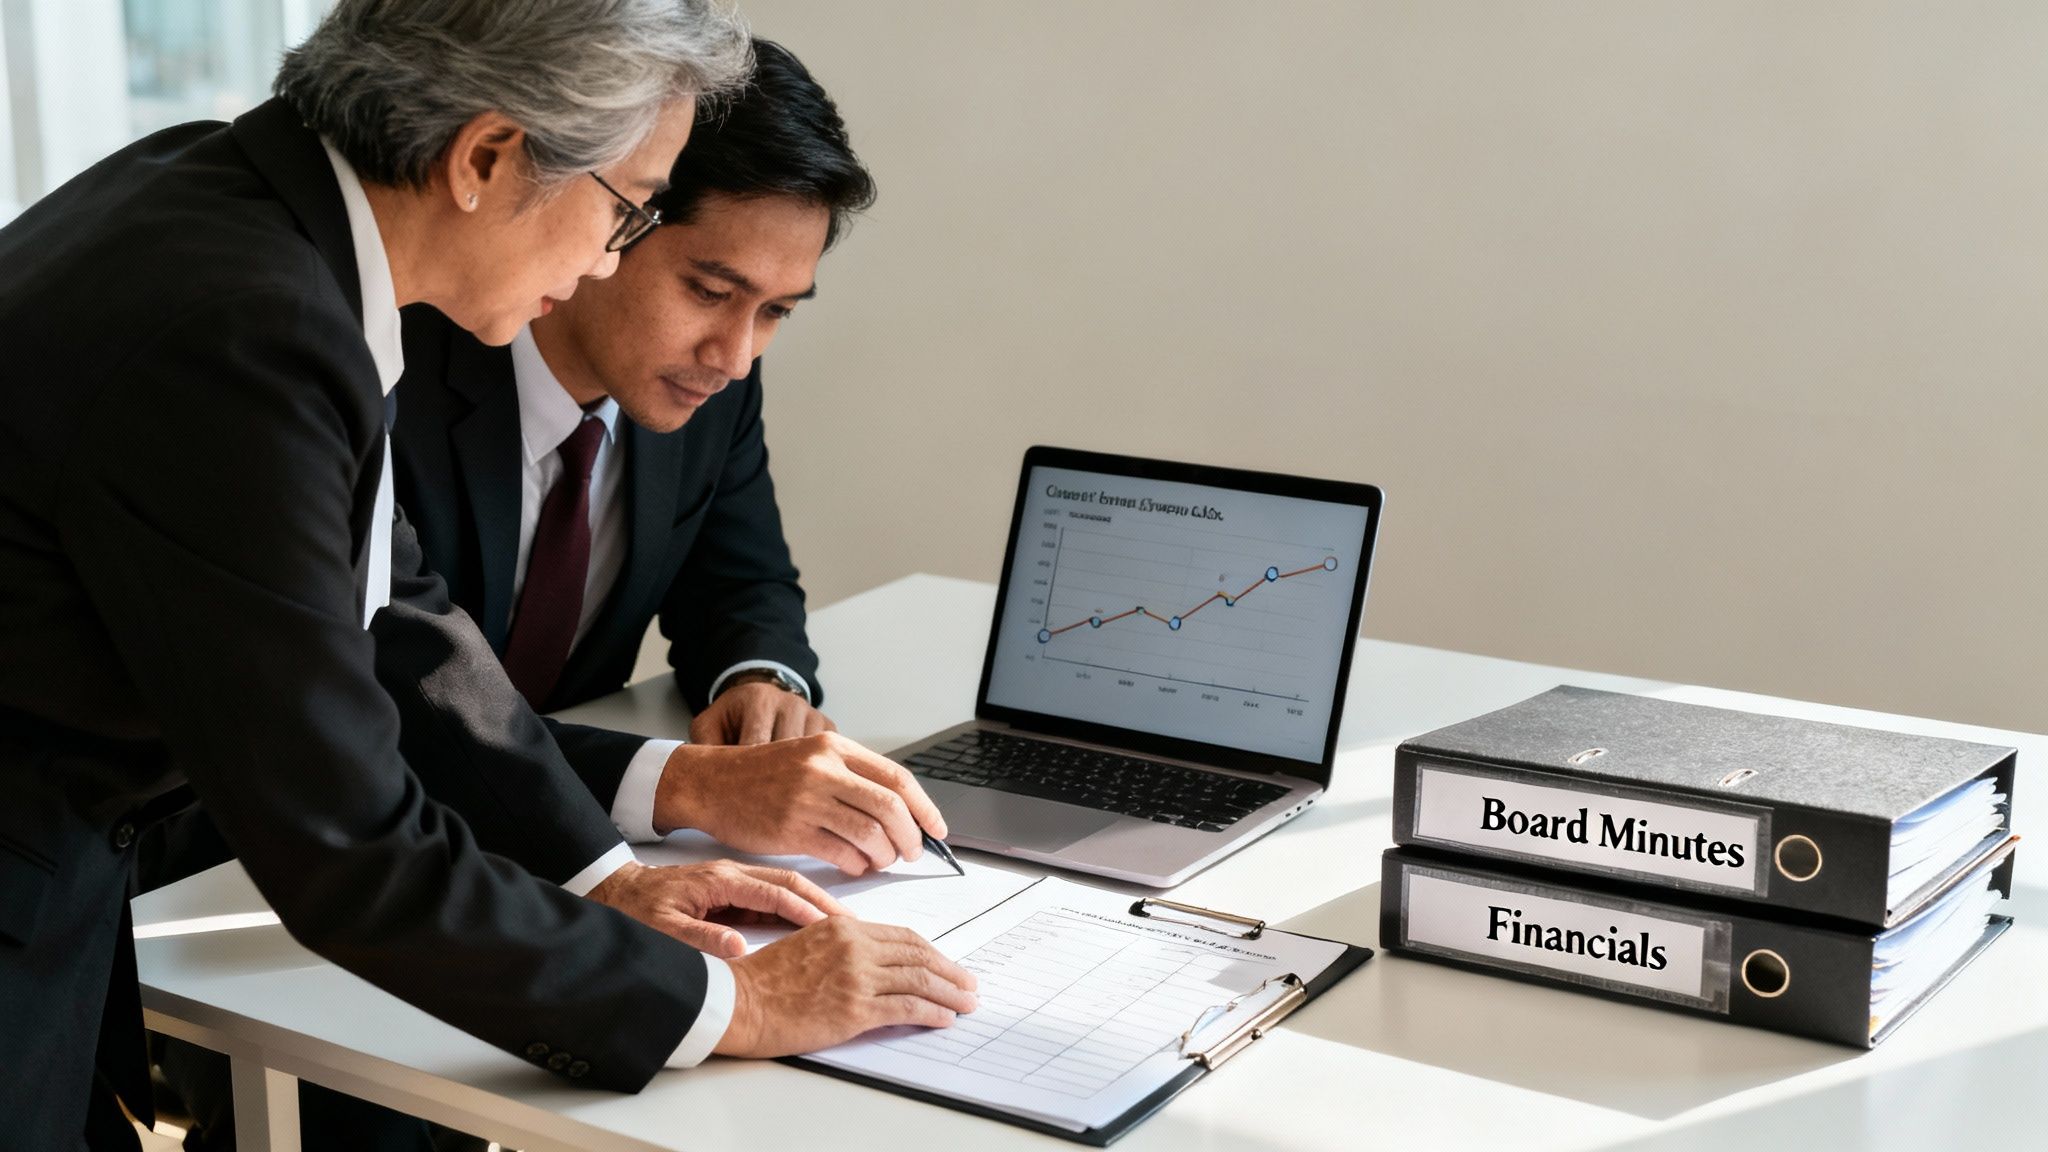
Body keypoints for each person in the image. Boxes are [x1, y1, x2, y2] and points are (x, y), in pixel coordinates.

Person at [0, 3, 974, 1148]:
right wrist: (731, 1002)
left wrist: (602, 876)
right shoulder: (249, 326)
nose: (612, 255)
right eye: (625, 209)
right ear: (487, 157)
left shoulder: (240, 212)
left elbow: (396, 617)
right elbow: (351, 847)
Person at [392, 39, 933, 878]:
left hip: (539, 862)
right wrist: (685, 786)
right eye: (711, 293)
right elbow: (393, 699)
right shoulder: (394, 375)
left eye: (778, 310)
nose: (736, 353)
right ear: (613, 215)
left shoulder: (710, 384)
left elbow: (740, 581)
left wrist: (760, 684)